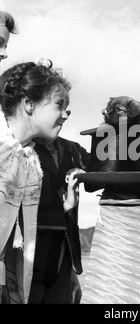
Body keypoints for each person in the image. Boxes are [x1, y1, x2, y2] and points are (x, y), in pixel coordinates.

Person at [0, 60, 81, 304]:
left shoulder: (29, 159)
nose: (66, 113)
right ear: (29, 103)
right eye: (59, 104)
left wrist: (65, 209)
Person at [28, 135, 89, 304]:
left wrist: (118, 126)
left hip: (64, 246)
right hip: (28, 247)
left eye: (66, 108)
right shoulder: (19, 146)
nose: (65, 114)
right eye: (59, 107)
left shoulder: (72, 149)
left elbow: (105, 168)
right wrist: (65, 206)